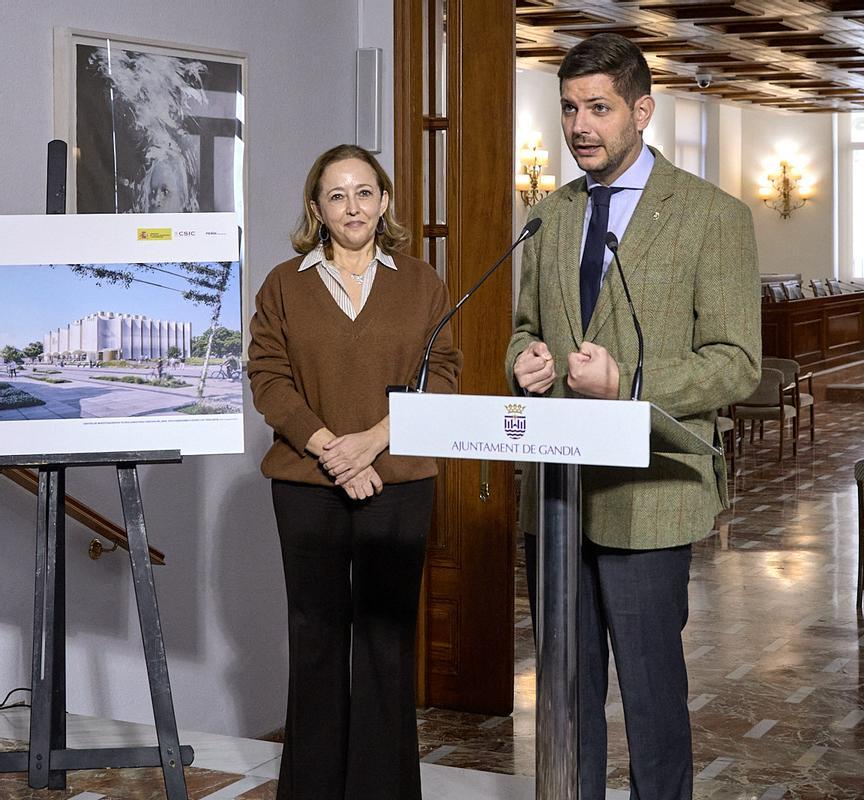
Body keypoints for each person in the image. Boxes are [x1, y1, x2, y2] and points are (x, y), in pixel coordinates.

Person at [505, 33, 760, 800]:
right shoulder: (549, 213)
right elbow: (523, 324)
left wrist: (631, 380)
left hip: (651, 493)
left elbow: (736, 361)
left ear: (642, 110)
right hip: (554, 498)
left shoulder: (712, 215)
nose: (581, 126)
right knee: (564, 697)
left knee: (651, 700)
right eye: (570, 109)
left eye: (600, 108)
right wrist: (524, 360)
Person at [247, 143, 461, 800]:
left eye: (364, 192)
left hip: (398, 482)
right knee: (314, 639)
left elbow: (444, 375)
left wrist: (369, 444)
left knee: (385, 640)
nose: (352, 206)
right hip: (307, 485)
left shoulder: (421, 281)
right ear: (316, 208)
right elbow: (268, 377)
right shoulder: (284, 283)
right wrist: (330, 449)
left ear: (385, 200)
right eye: (336, 195)